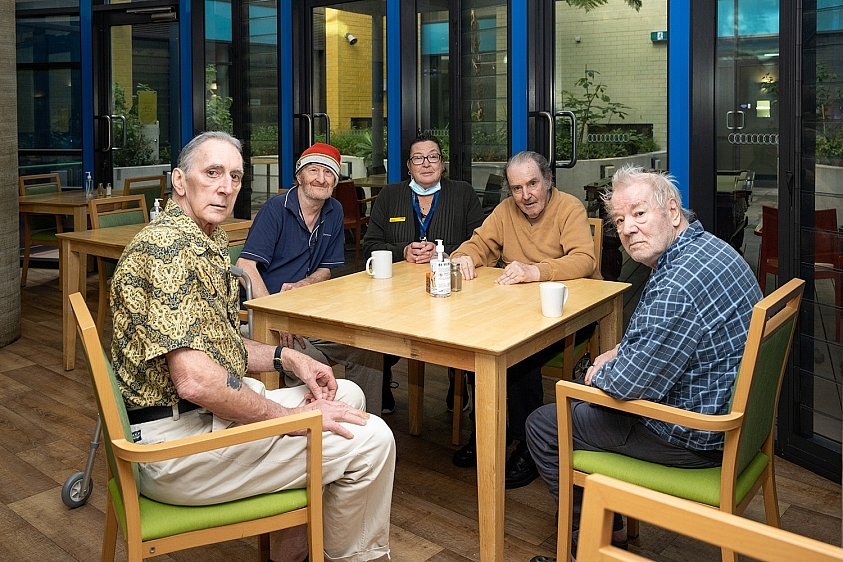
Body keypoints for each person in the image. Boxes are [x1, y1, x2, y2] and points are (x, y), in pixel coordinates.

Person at [110, 131, 395, 562]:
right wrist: (291, 419)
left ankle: (291, 551)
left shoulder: (201, 239)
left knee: (347, 394)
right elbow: (196, 381)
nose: (226, 187)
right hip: (173, 449)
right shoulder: (168, 250)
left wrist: (288, 358)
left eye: (235, 176)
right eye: (212, 173)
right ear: (179, 181)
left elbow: (220, 346)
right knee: (373, 439)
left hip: (197, 419)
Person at [523, 165, 763, 562]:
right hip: (730, 415)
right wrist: (619, 352)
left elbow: (627, 385)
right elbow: (662, 338)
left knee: (545, 424)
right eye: (619, 220)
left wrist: (597, 372)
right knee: (584, 395)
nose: (628, 228)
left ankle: (594, 546)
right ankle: (610, 525)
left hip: (695, 434)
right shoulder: (711, 250)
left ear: (672, 211)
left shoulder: (677, 285)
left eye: (638, 213)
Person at [449, 150, 598, 489]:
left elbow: (584, 261)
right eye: (516, 188)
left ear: (548, 180)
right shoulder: (505, 211)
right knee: (477, 343)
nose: (526, 195)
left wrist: (536, 271)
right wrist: (463, 257)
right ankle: (489, 430)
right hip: (518, 310)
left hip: (570, 312)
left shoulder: (570, 208)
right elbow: (478, 244)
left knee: (520, 354)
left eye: (532, 184)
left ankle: (528, 444)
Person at [236, 142, 386, 414]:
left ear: (335, 181)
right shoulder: (276, 209)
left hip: (308, 314)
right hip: (263, 320)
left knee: (367, 350)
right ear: (299, 176)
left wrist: (306, 283)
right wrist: (276, 314)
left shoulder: (334, 210)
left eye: (328, 173)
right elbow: (245, 266)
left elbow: (325, 270)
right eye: (313, 170)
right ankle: (321, 426)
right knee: (317, 366)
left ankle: (368, 424)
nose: (320, 178)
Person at [363, 132, 484, 414]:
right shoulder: (390, 196)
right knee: (375, 327)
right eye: (418, 158)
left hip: (453, 294)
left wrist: (444, 253)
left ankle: (459, 381)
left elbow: (480, 242)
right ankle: (381, 381)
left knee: (469, 331)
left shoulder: (463, 193)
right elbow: (370, 246)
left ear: (442, 163)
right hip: (397, 296)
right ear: (409, 166)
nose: (426, 163)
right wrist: (403, 251)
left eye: (433, 157)